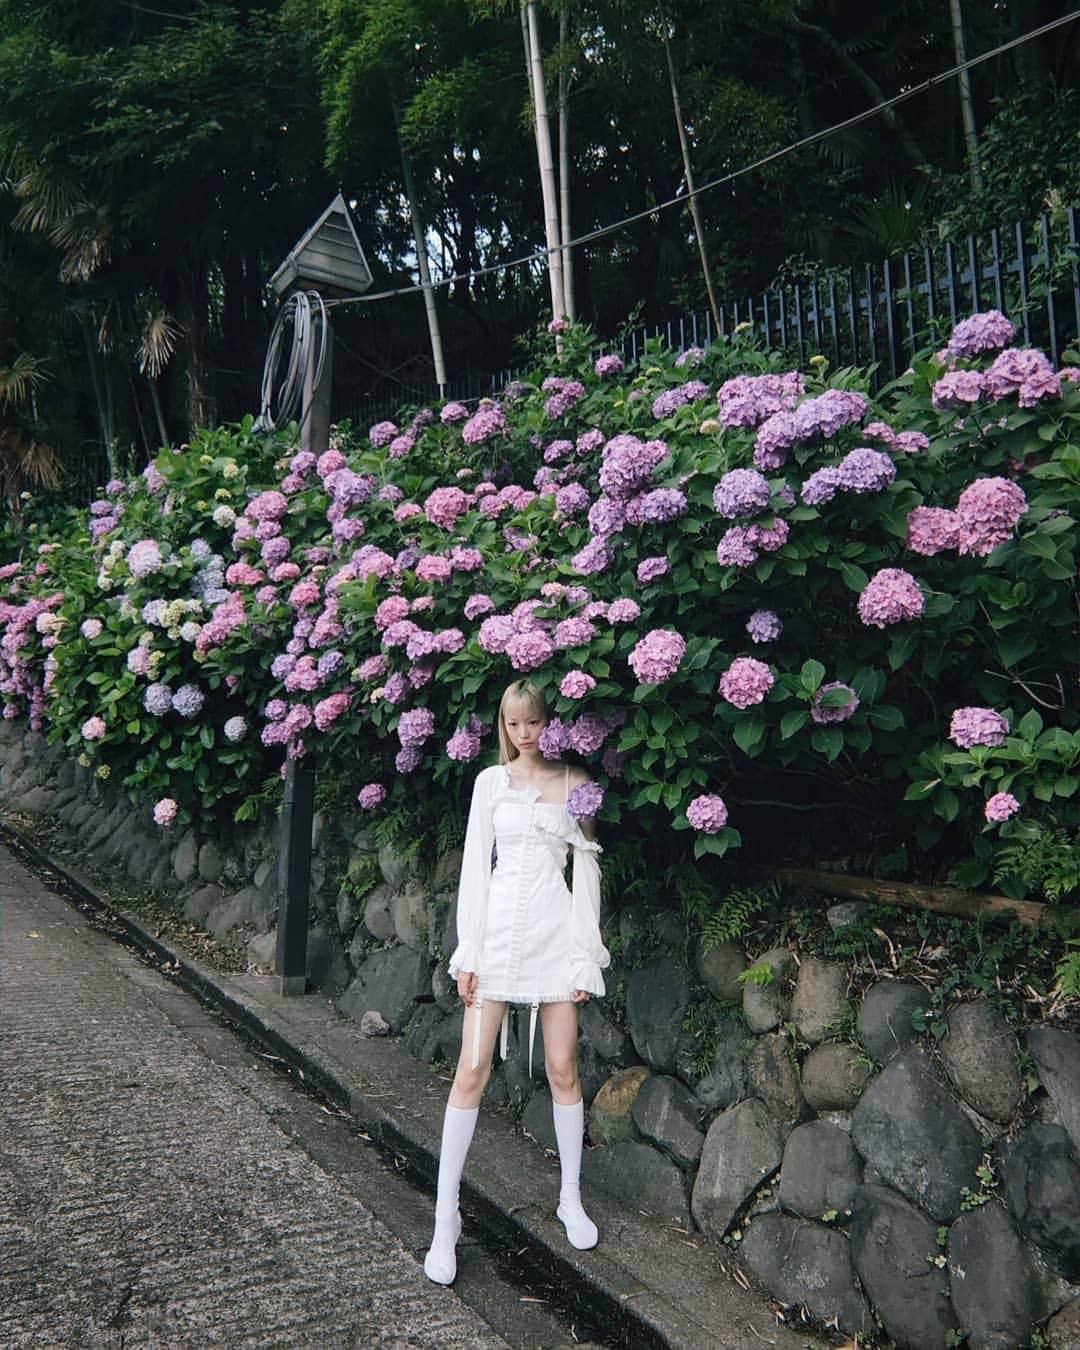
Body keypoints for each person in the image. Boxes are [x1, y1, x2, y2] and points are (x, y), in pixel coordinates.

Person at [424, 678, 611, 1286]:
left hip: (556, 940)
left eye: (532, 721)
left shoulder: (577, 785)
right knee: (472, 1069)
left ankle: (570, 1198)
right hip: (498, 937)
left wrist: (584, 955)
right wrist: (469, 949)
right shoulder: (489, 785)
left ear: (549, 722)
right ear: (501, 726)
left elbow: (587, 876)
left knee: (563, 1067)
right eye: (512, 723)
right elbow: (476, 869)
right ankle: (444, 1218)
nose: (523, 733)